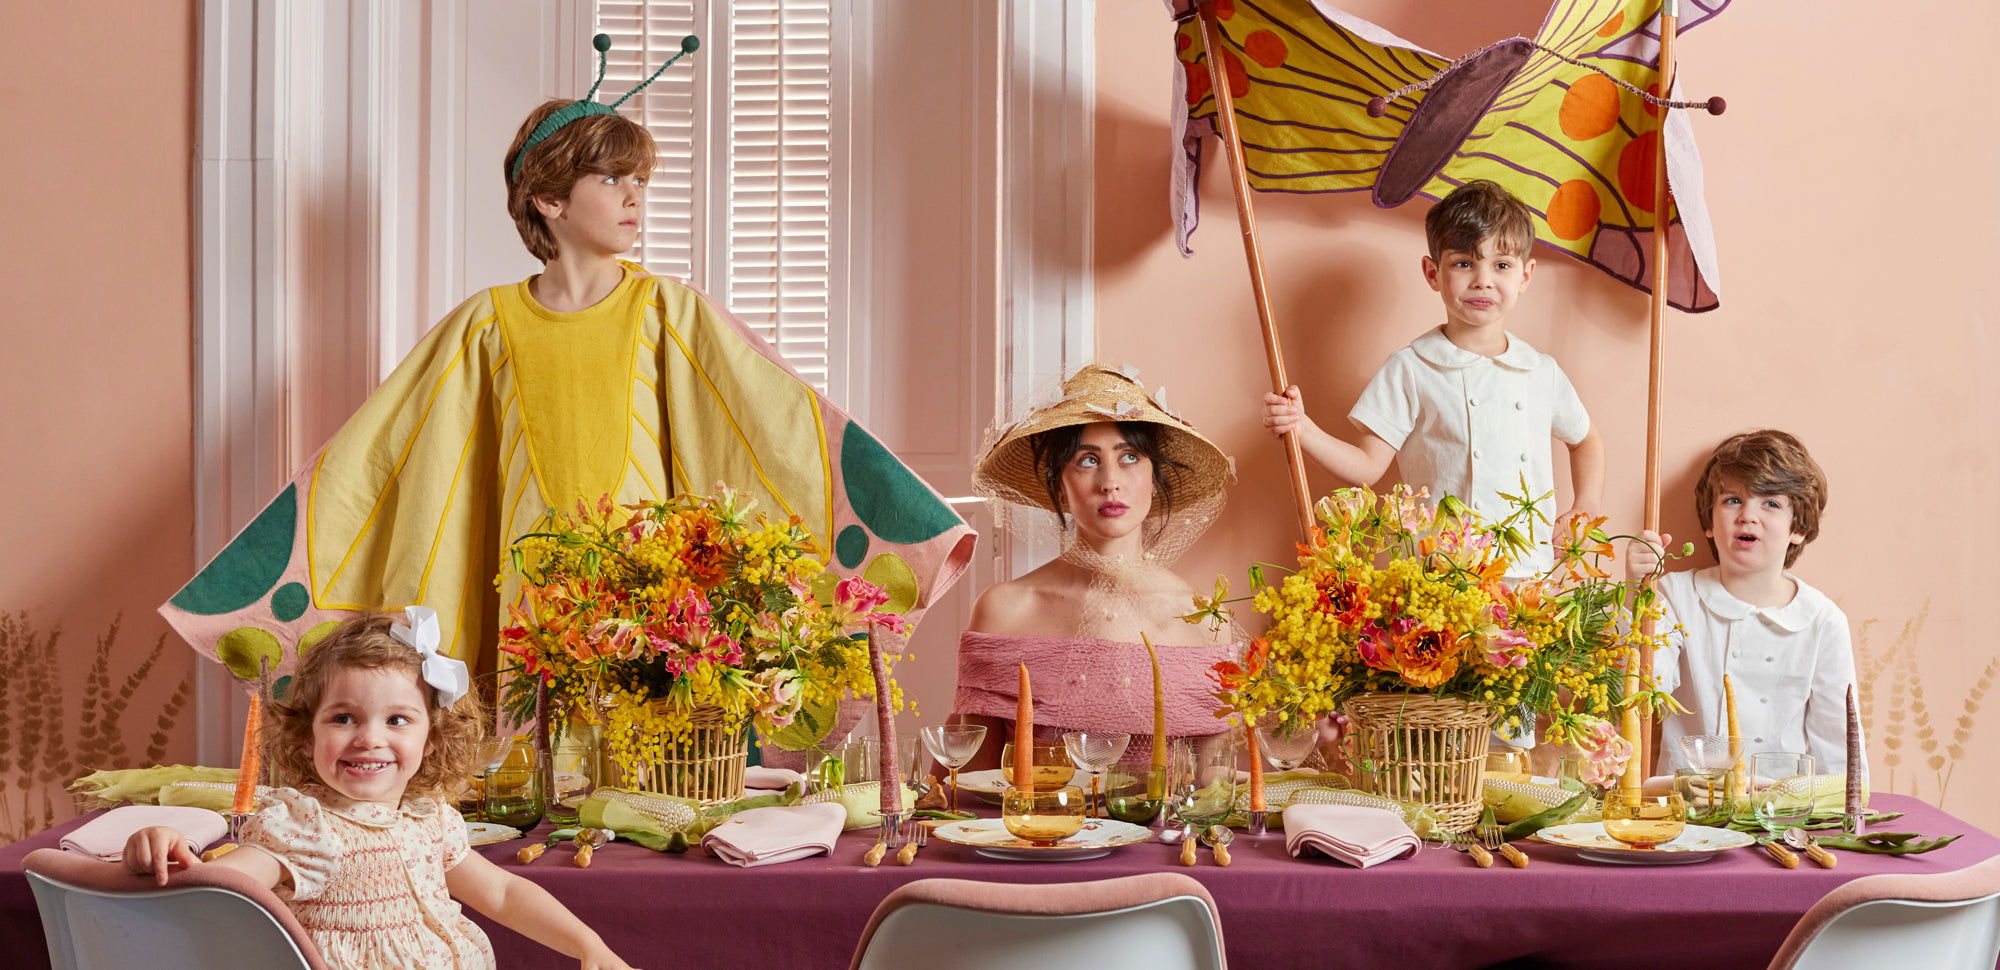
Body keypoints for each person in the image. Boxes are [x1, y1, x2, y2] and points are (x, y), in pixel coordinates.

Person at [158, 35, 973, 710]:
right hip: (530, 584)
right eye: (612, 179)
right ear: (547, 200)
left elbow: (779, 424)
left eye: (641, 181)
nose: (634, 197)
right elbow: (385, 455)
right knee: (540, 762)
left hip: (651, 585)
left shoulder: (667, 310)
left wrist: (901, 513)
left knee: (646, 751)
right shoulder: (487, 323)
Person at [122, 610, 637, 970]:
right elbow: (223, 886)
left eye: (397, 719)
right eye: (344, 717)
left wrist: (586, 946)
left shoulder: (427, 818)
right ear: (307, 736)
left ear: (431, 739)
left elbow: (503, 892)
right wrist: (166, 847)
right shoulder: (305, 827)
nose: (370, 738)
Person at [1261, 178, 1603, 579]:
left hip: (1530, 573)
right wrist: (1303, 429)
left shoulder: (1541, 371)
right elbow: (1368, 467)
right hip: (1438, 575)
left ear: (1525, 276)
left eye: (1502, 265)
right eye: (1464, 263)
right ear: (1432, 272)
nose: (1483, 280)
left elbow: (1586, 440)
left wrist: (1587, 503)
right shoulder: (1411, 367)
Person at [953, 363, 1238, 770]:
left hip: (1168, 836)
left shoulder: (1204, 617)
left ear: (1155, 478)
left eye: (1129, 457)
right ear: (1058, 485)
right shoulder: (1004, 609)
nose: (1110, 481)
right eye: (1087, 460)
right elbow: (973, 784)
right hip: (1032, 835)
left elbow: (1214, 787)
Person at [1627, 430, 1861, 778]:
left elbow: (1839, 744)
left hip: (1780, 813)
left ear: (1798, 528)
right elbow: (1644, 690)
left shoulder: (1822, 621)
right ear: (1709, 521)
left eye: (1771, 503)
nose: (1747, 515)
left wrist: (1845, 817)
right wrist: (1636, 591)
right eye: (1732, 500)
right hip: (1687, 809)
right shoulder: (1675, 596)